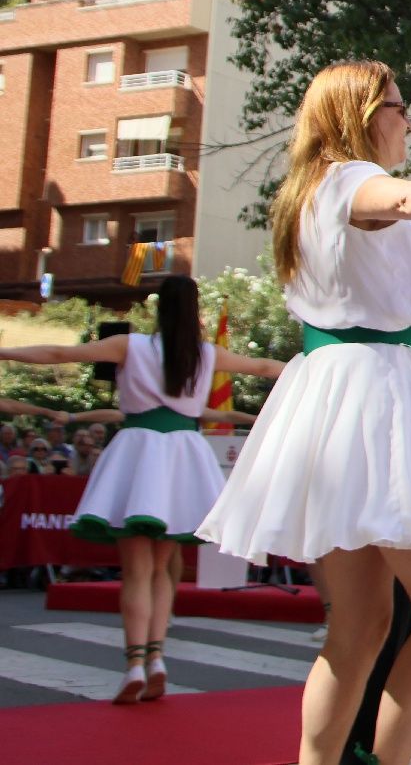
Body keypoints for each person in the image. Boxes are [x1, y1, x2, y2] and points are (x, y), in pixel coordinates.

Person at [196, 59, 411, 765]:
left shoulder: (316, 193)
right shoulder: (351, 181)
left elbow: (390, 312)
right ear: (358, 117)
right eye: (396, 106)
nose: (407, 117)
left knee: (358, 628)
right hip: (383, 407)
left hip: (345, 400)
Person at [0, 275, 285, 703]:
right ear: (195, 311)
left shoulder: (129, 346)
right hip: (183, 456)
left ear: (157, 309)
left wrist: (5, 351)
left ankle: (134, 662)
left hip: (137, 450)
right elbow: (267, 368)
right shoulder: (206, 354)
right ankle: (157, 658)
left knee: (135, 569)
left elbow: (61, 352)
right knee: (161, 567)